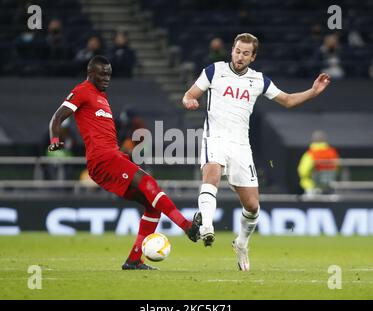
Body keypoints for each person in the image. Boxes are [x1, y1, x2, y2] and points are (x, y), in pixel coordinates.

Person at [182, 33, 331, 271]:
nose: (240, 57)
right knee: (211, 173)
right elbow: (189, 95)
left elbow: (289, 100)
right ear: (231, 50)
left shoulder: (259, 80)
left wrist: (312, 92)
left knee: (252, 207)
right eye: (237, 51)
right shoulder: (213, 71)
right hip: (216, 138)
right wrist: (189, 101)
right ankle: (206, 226)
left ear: (253, 57)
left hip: (241, 146)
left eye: (245, 53)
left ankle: (241, 243)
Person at [48, 55, 200, 270]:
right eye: (102, 74)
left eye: (109, 74)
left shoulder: (102, 96)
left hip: (111, 158)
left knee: (152, 205)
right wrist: (55, 139)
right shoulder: (82, 91)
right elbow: (57, 117)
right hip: (104, 158)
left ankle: (134, 260)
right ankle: (186, 226)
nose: (106, 78)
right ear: (90, 73)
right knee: (150, 184)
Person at [298, 130, 339, 195]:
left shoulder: (311, 154)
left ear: (313, 140)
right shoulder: (333, 153)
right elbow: (337, 168)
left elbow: (303, 172)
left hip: (313, 187)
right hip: (329, 186)